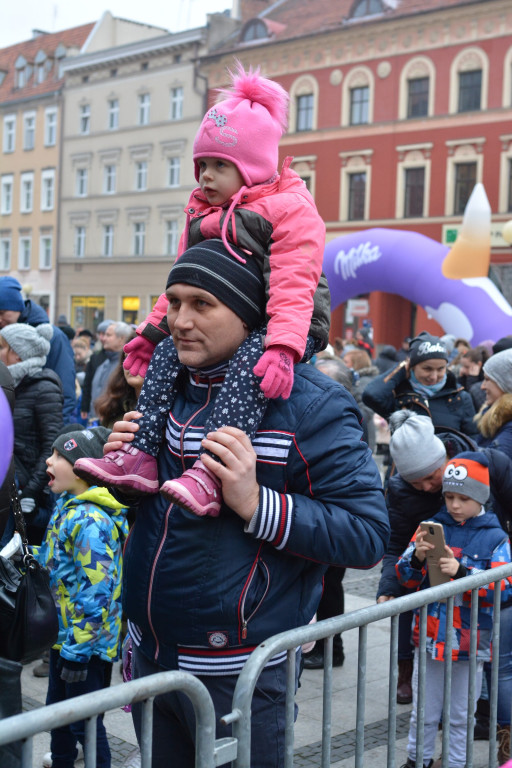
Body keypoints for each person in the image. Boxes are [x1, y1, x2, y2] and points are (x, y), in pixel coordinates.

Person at [86, 242, 389, 768]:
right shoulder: (170, 388)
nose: (180, 320)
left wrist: (254, 502)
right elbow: (164, 520)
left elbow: (366, 534)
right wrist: (128, 480)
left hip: (240, 673)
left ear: (248, 313)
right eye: (174, 301)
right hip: (151, 656)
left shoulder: (311, 404)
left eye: (202, 304)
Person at [74, 64, 330, 518]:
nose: (206, 175)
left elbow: (294, 283)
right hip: (242, 320)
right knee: (171, 354)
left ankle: (212, 471)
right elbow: (180, 281)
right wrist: (152, 334)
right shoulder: (201, 210)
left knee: (250, 361)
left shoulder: (289, 208)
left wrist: (284, 347)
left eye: (220, 165)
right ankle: (143, 456)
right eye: (203, 164)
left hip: (290, 322)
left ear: (252, 166)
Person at [379, 409, 512, 741]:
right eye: (416, 482)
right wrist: (389, 586)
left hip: (491, 583)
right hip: (438, 616)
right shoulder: (401, 492)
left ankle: (501, 737)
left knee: (497, 670)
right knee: (438, 700)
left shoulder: (489, 464)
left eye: (432, 476)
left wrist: (491, 564)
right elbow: (397, 545)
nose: (427, 488)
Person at [36, 426, 128, 768]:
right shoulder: (68, 507)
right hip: (64, 641)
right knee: (57, 718)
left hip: (85, 649)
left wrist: (78, 652)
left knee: (85, 725)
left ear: (85, 469)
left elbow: (97, 592)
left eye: (60, 455)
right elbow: (61, 562)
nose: (50, 460)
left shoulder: (90, 519)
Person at [0, 323, 63, 546]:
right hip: (7, 484)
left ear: (17, 354)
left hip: (25, 490)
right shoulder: (8, 384)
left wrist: (31, 491)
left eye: (2, 347)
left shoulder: (44, 387)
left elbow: (51, 444)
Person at [362, 331, 478, 437]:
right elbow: (371, 395)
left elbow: (472, 440)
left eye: (441, 369)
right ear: (411, 367)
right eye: (427, 369)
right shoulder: (398, 395)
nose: (434, 376)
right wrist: (401, 368)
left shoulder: (460, 398)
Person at [0, 278, 76, 423]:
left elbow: (66, 392)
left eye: (2, 312)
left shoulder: (55, 337)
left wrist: (59, 442)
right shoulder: (2, 334)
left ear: (17, 307)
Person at [87, 323, 133, 424]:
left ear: (121, 338)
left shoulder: (125, 367)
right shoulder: (102, 363)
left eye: (108, 335)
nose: (103, 338)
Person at [80, 320, 114, 420]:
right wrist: (84, 406)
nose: (103, 338)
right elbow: (88, 383)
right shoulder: (95, 357)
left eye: (106, 334)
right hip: (94, 409)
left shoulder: (119, 357)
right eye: (100, 334)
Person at [457, 346, 488, 411]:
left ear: (479, 364)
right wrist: (461, 378)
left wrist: (472, 379)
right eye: (462, 366)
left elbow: (474, 397)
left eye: (467, 367)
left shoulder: (485, 378)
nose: (463, 370)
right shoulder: (465, 375)